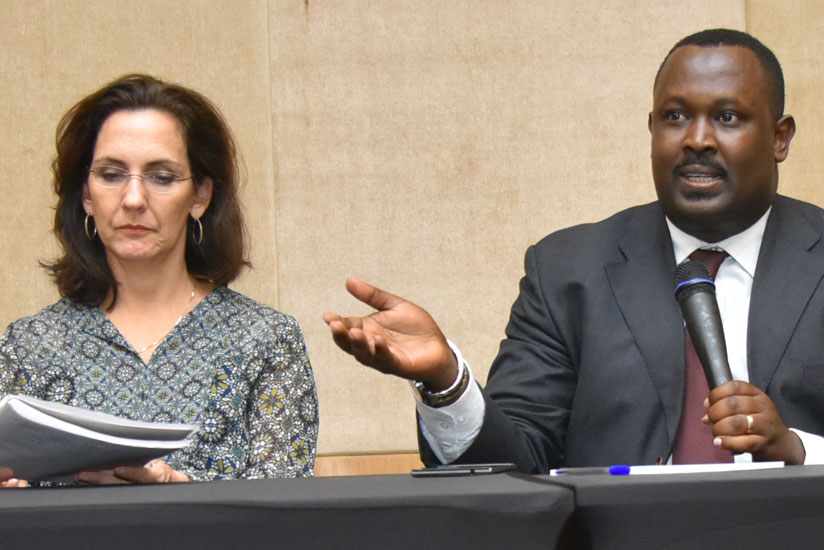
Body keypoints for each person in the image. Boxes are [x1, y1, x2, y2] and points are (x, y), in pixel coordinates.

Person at [324, 29, 824, 472]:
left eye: (728, 116)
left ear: (780, 138)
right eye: (675, 116)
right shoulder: (569, 270)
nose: (696, 139)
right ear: (652, 130)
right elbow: (514, 466)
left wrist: (798, 450)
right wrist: (446, 381)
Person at [0, 74, 318, 486]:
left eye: (162, 177)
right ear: (86, 195)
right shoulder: (31, 345)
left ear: (200, 196)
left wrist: (180, 491)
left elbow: (288, 511)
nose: (133, 199)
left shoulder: (265, 339)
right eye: (112, 175)